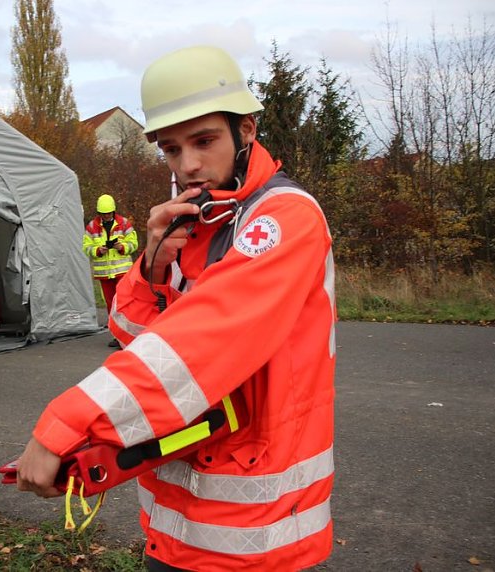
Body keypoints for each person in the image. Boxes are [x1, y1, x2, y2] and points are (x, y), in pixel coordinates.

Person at [17, 45, 336, 571]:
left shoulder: (283, 219)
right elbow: (131, 335)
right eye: (170, 149)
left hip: (254, 535)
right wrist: (152, 266)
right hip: (176, 521)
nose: (187, 165)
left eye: (204, 141)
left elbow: (200, 344)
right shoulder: (196, 220)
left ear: (246, 130)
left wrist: (66, 425)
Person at [83, 194, 138, 347]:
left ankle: (129, 334)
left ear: (113, 211)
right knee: (110, 305)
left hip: (122, 271)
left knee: (124, 303)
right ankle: (116, 336)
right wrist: (97, 250)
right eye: (103, 214)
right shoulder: (92, 226)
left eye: (108, 213)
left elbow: (134, 243)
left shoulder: (124, 224)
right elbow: (86, 247)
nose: (106, 216)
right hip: (104, 274)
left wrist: (122, 247)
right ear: (99, 213)